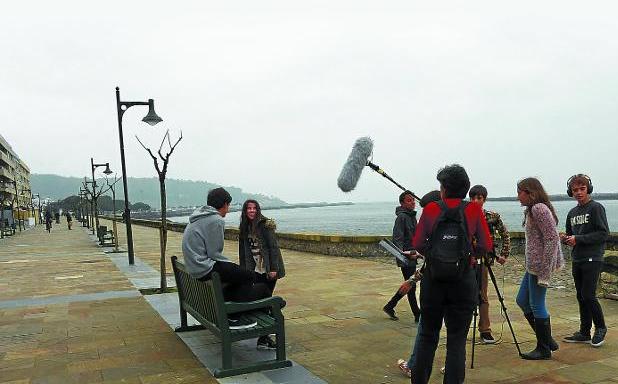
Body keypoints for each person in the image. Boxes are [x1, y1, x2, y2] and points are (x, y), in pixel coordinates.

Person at [411, 165, 493, 384]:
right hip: (463, 280)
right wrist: (469, 254)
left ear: (444, 189)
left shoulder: (430, 209)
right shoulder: (474, 210)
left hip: (433, 281)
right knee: (457, 342)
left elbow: (418, 244)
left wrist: (434, 254)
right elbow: (485, 245)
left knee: (428, 337)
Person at [182, 187, 271, 330]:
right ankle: (234, 317)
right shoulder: (216, 220)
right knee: (249, 276)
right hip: (205, 267)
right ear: (224, 204)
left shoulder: (198, 217)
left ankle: (244, 307)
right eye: (228, 206)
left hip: (195, 266)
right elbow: (214, 253)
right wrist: (232, 267)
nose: (227, 210)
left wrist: (233, 269)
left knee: (239, 274)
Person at [515, 177, 564, 360]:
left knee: (537, 305)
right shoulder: (531, 210)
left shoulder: (539, 209)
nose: (518, 196)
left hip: (540, 267)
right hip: (532, 266)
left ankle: (543, 349)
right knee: (522, 300)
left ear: (530, 192)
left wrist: (545, 271)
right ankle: (548, 340)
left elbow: (552, 239)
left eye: (520, 192)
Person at [395, 190, 441, 379]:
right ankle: (454, 367)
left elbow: (432, 259)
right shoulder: (460, 221)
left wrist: (413, 278)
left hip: (435, 285)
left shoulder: (433, 225)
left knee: (426, 330)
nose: (414, 205)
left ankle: (414, 366)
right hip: (461, 285)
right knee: (455, 332)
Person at [561, 174, 609, 347]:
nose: (579, 193)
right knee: (581, 296)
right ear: (570, 192)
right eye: (575, 190)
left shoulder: (596, 208)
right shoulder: (572, 213)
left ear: (588, 188)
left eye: (582, 189)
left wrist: (578, 239)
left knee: (588, 295)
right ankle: (584, 331)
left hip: (593, 257)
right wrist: (565, 238)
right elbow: (570, 234)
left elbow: (603, 233)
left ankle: (601, 328)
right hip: (578, 258)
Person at [239, 199, 286, 349]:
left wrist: (273, 268)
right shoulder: (244, 227)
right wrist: (244, 271)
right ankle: (264, 335)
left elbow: (273, 247)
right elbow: (243, 251)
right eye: (248, 208)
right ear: (245, 211)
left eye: (254, 208)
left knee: (265, 299)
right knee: (263, 299)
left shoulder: (265, 225)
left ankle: (264, 336)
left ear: (258, 210)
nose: (251, 211)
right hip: (255, 270)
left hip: (268, 269)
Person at [468, 185, 511, 344]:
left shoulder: (492, 216)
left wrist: (504, 254)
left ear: (484, 199)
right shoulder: (465, 215)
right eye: (473, 198)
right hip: (468, 260)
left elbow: (505, 234)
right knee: (466, 295)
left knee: (483, 295)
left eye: (479, 198)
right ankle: (463, 328)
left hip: (485, 260)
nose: (475, 201)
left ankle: (485, 329)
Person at [383, 190, 421, 323]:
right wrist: (403, 257)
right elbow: (397, 239)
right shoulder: (402, 217)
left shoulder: (411, 217)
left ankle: (390, 305)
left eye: (413, 200)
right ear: (402, 203)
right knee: (411, 284)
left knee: (410, 283)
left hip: (413, 255)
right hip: (406, 257)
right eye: (409, 200)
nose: (413, 202)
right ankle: (417, 314)